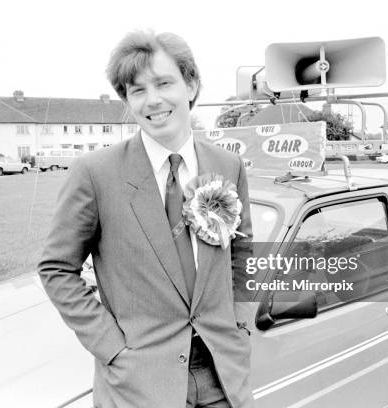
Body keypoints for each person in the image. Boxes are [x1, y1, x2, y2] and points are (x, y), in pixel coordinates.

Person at [38, 30, 254, 408]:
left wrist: (239, 323)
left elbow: (243, 251)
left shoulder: (227, 165)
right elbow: (56, 268)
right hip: (139, 384)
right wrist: (113, 349)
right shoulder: (94, 173)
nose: (152, 100)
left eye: (163, 83)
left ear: (191, 85)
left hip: (224, 376)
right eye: (136, 90)